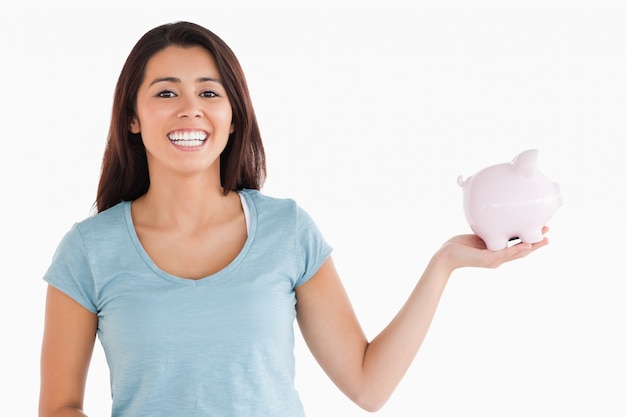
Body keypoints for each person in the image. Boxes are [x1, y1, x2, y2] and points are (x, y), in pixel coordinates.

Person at [38, 21, 549, 417]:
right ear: (132, 116)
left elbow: (368, 385)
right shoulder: (88, 250)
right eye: (166, 92)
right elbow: (58, 407)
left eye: (210, 92)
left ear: (233, 115)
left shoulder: (287, 230)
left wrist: (443, 264)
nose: (190, 110)